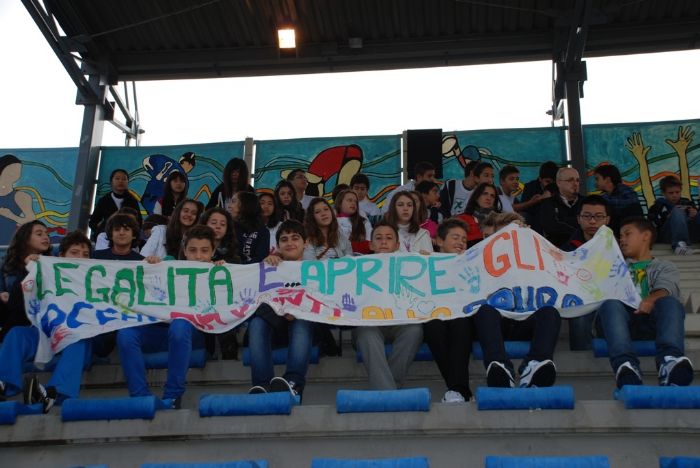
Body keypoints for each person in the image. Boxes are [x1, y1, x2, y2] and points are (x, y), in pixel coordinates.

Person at [117, 225, 216, 408]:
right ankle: (140, 398)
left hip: (191, 333)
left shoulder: (220, 274)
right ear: (184, 251)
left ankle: (172, 396)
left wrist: (223, 271)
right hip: (157, 330)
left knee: (180, 324)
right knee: (125, 334)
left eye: (204, 251)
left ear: (213, 252)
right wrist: (153, 265)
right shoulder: (167, 268)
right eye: (193, 250)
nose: (199, 256)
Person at [0, 232, 93, 412]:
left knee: (79, 339)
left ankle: (52, 393)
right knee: (17, 333)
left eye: (86, 254)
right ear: (60, 256)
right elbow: (16, 305)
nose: (80, 257)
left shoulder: (98, 282)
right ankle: (4, 383)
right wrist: (30, 271)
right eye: (74, 252)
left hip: (76, 343)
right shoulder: (45, 273)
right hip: (44, 336)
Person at [596, 217, 693, 388]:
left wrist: (650, 299)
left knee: (669, 302)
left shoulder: (665, 266)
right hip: (620, 322)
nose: (622, 239)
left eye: (627, 234)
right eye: (620, 236)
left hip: (652, 323)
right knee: (610, 304)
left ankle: (669, 362)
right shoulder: (612, 268)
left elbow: (666, 288)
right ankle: (626, 366)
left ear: (645, 236)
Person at [351, 221, 423, 390]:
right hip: (369, 324)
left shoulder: (411, 266)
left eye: (389, 238)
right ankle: (388, 391)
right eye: (379, 238)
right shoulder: (355, 266)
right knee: (366, 332)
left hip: (400, 322)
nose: (384, 241)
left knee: (415, 330)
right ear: (371, 244)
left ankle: (389, 386)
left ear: (397, 245)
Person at [247, 220, 314, 398]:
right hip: (275, 325)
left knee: (303, 320)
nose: (289, 243)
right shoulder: (268, 266)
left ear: (305, 243)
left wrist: (297, 310)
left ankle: (293, 384)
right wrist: (283, 310)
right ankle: (262, 385)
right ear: (277, 246)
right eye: (284, 239)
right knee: (256, 323)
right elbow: (258, 302)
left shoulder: (318, 270)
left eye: (295, 238)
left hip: (306, 326)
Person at [423, 218, 474, 402]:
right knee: (432, 326)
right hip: (435, 317)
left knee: (460, 323)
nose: (461, 242)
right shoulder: (425, 264)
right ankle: (460, 390)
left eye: (464, 239)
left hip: (464, 318)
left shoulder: (472, 264)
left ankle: (457, 390)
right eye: (455, 237)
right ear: (439, 241)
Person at [560, 195, 611, 350]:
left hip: (609, 300)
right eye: (587, 216)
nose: (593, 221)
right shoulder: (567, 250)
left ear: (607, 220)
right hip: (580, 300)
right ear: (578, 219)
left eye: (599, 216)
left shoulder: (619, 247)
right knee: (578, 314)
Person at [0, 221, 52, 338]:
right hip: (13, 318)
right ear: (26, 238)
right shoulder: (7, 263)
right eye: (39, 234)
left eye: (47, 234)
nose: (45, 237)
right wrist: (2, 294)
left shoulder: (52, 263)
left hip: (40, 323)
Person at [647, 175, 699, 255]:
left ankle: (683, 243)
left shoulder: (688, 203)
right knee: (677, 211)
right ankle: (679, 245)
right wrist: (669, 218)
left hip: (689, 234)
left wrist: (695, 214)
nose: (674, 195)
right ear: (663, 193)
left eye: (677, 192)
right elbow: (651, 226)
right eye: (671, 193)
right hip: (667, 235)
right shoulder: (657, 206)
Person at [88, 169, 142, 241]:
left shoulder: (132, 200)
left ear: (127, 182)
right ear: (111, 182)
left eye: (124, 179)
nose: (120, 181)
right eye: (117, 178)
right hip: (106, 238)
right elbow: (93, 222)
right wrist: (101, 228)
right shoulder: (104, 200)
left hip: (127, 239)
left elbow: (139, 222)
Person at [593, 164, 642, 237]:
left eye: (597, 179)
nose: (595, 182)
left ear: (607, 180)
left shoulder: (626, 191)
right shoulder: (604, 196)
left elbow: (632, 204)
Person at [539, 167, 583, 247]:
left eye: (577, 180)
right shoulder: (548, 203)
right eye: (570, 180)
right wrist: (578, 230)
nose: (575, 183)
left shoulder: (586, 202)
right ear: (558, 182)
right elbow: (551, 227)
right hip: (557, 251)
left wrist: (562, 221)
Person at [0, 154, 36, 245]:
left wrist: (11, 215)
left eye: (18, 171)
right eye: (11, 171)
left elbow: (31, 220)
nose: (14, 175)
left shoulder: (21, 196)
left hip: (7, 247)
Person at [517, 161, 558, 233]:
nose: (550, 185)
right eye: (547, 182)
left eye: (553, 182)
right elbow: (523, 210)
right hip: (534, 218)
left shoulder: (559, 187)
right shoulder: (530, 187)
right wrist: (533, 202)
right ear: (540, 179)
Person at [457, 182, 502, 248]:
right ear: (476, 197)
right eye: (485, 194)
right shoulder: (462, 219)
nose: (489, 198)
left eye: (492, 196)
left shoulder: (501, 220)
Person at [230, 191, 270, 264]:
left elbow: (261, 258)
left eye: (233, 201)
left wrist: (241, 267)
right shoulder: (229, 228)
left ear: (245, 205)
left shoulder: (263, 231)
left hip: (251, 273)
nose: (230, 206)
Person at [335, 189, 372, 255]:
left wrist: (352, 246)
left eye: (355, 201)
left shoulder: (364, 222)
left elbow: (371, 243)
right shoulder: (332, 222)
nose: (353, 203)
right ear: (339, 203)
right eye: (349, 200)